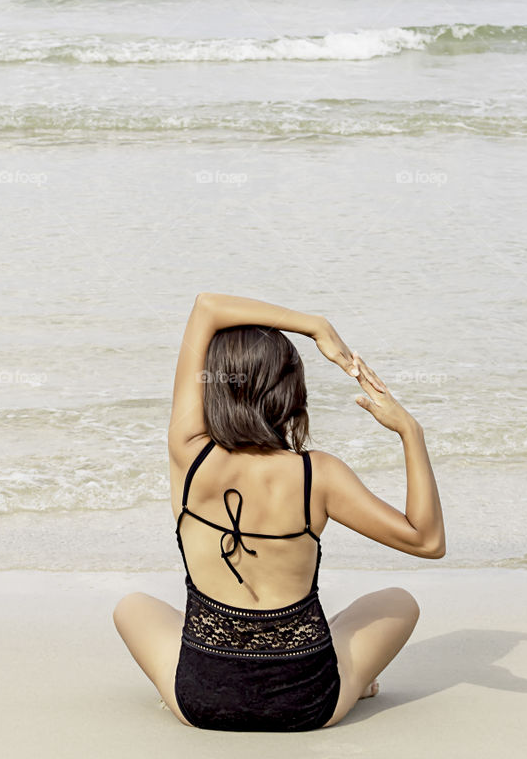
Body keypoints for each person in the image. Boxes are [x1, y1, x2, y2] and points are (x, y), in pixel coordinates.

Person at [113, 292, 446, 731]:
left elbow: (207, 308)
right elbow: (428, 541)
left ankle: (221, 662)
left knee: (131, 607)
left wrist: (314, 326)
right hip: (310, 703)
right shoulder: (318, 474)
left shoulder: (188, 454)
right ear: (291, 389)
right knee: (399, 603)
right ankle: (353, 679)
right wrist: (410, 431)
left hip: (201, 700)